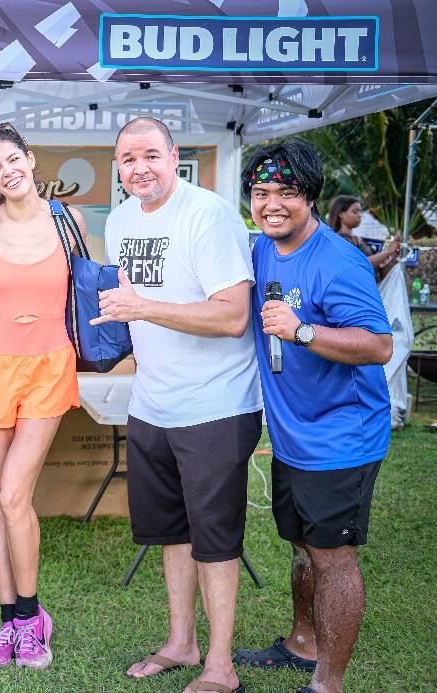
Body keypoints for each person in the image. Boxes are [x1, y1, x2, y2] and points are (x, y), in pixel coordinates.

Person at [94, 116, 263, 693]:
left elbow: (233, 315)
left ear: (173, 156)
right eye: (127, 159)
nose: (138, 168)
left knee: (215, 536)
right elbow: (131, 306)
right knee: (170, 532)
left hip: (214, 405)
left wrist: (143, 308)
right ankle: (181, 642)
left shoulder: (206, 214)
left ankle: (221, 664)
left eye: (150, 156)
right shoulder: (119, 221)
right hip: (153, 403)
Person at [234, 140, 393, 693]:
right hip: (292, 436)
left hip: (341, 436)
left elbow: (377, 346)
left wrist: (303, 329)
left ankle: (328, 684)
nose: (271, 203)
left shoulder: (338, 259)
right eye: (261, 192)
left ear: (310, 197)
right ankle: (303, 645)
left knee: (333, 559)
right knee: (303, 546)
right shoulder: (261, 250)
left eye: (287, 192)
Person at [0, 123, 83, 670]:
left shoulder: (69, 220)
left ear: (31, 160)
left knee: (14, 492)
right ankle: (9, 621)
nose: (7, 171)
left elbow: (92, 283)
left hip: (48, 366)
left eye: (14, 159)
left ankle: (33, 621)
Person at [326, 195, 400, 282]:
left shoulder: (360, 241)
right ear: (341, 214)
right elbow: (360, 264)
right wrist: (388, 252)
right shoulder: (337, 241)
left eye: (360, 212)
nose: (359, 215)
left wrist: (395, 255)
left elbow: (378, 273)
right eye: (355, 212)